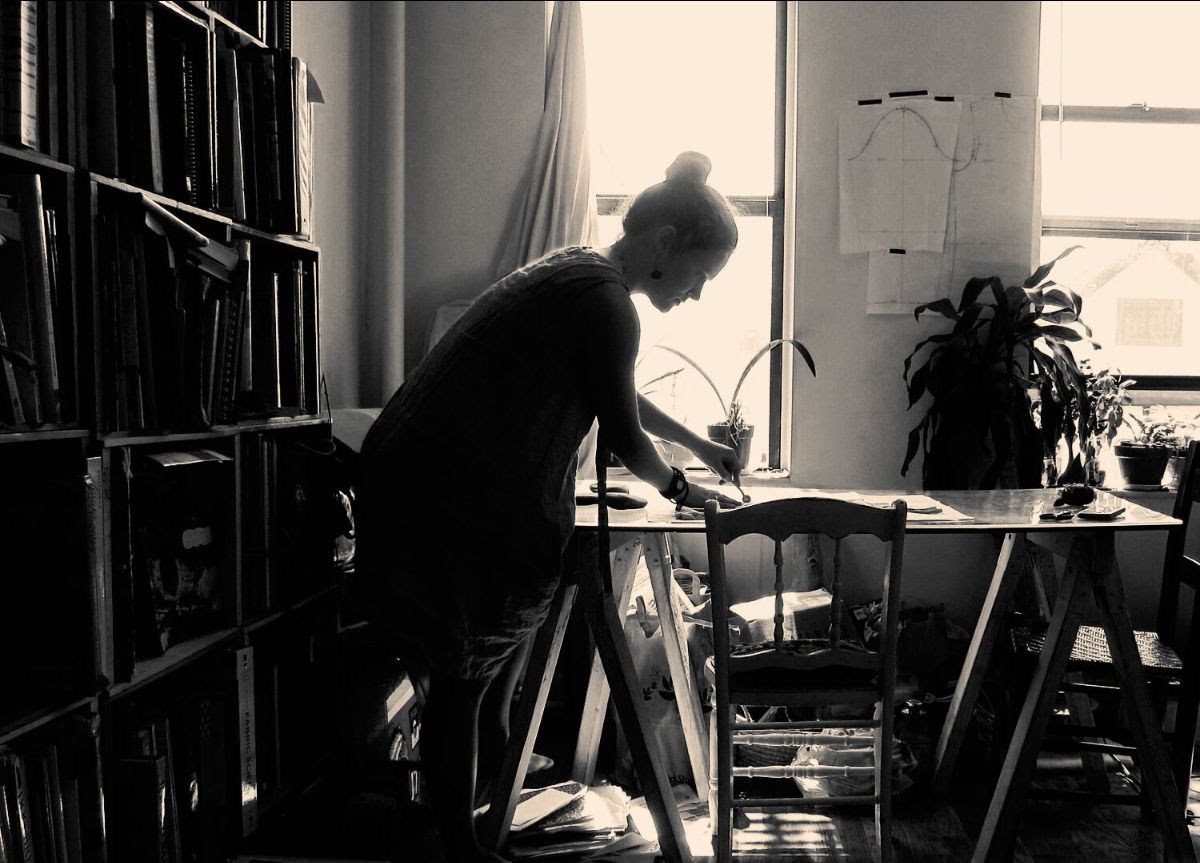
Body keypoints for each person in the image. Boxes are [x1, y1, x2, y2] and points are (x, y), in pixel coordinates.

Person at [356, 151, 743, 863]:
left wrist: (701, 448)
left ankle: (481, 822)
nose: (696, 294)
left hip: (410, 481)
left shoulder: (581, 273)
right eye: (702, 275)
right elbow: (624, 433)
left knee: (476, 688)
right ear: (665, 244)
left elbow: (615, 389)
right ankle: (463, 850)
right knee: (462, 688)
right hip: (437, 502)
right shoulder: (602, 300)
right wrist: (687, 491)